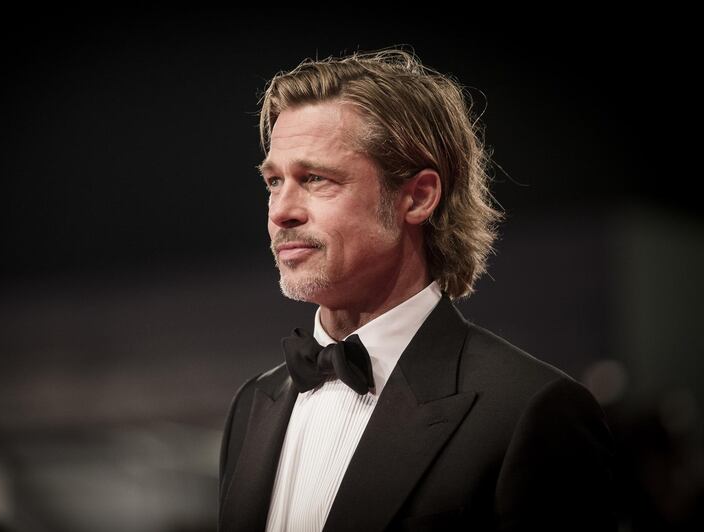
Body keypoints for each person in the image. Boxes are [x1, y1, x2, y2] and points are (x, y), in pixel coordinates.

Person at [218, 48, 616, 531]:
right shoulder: (253, 404)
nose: (282, 211)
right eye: (274, 181)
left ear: (418, 197)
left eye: (315, 179)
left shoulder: (532, 410)